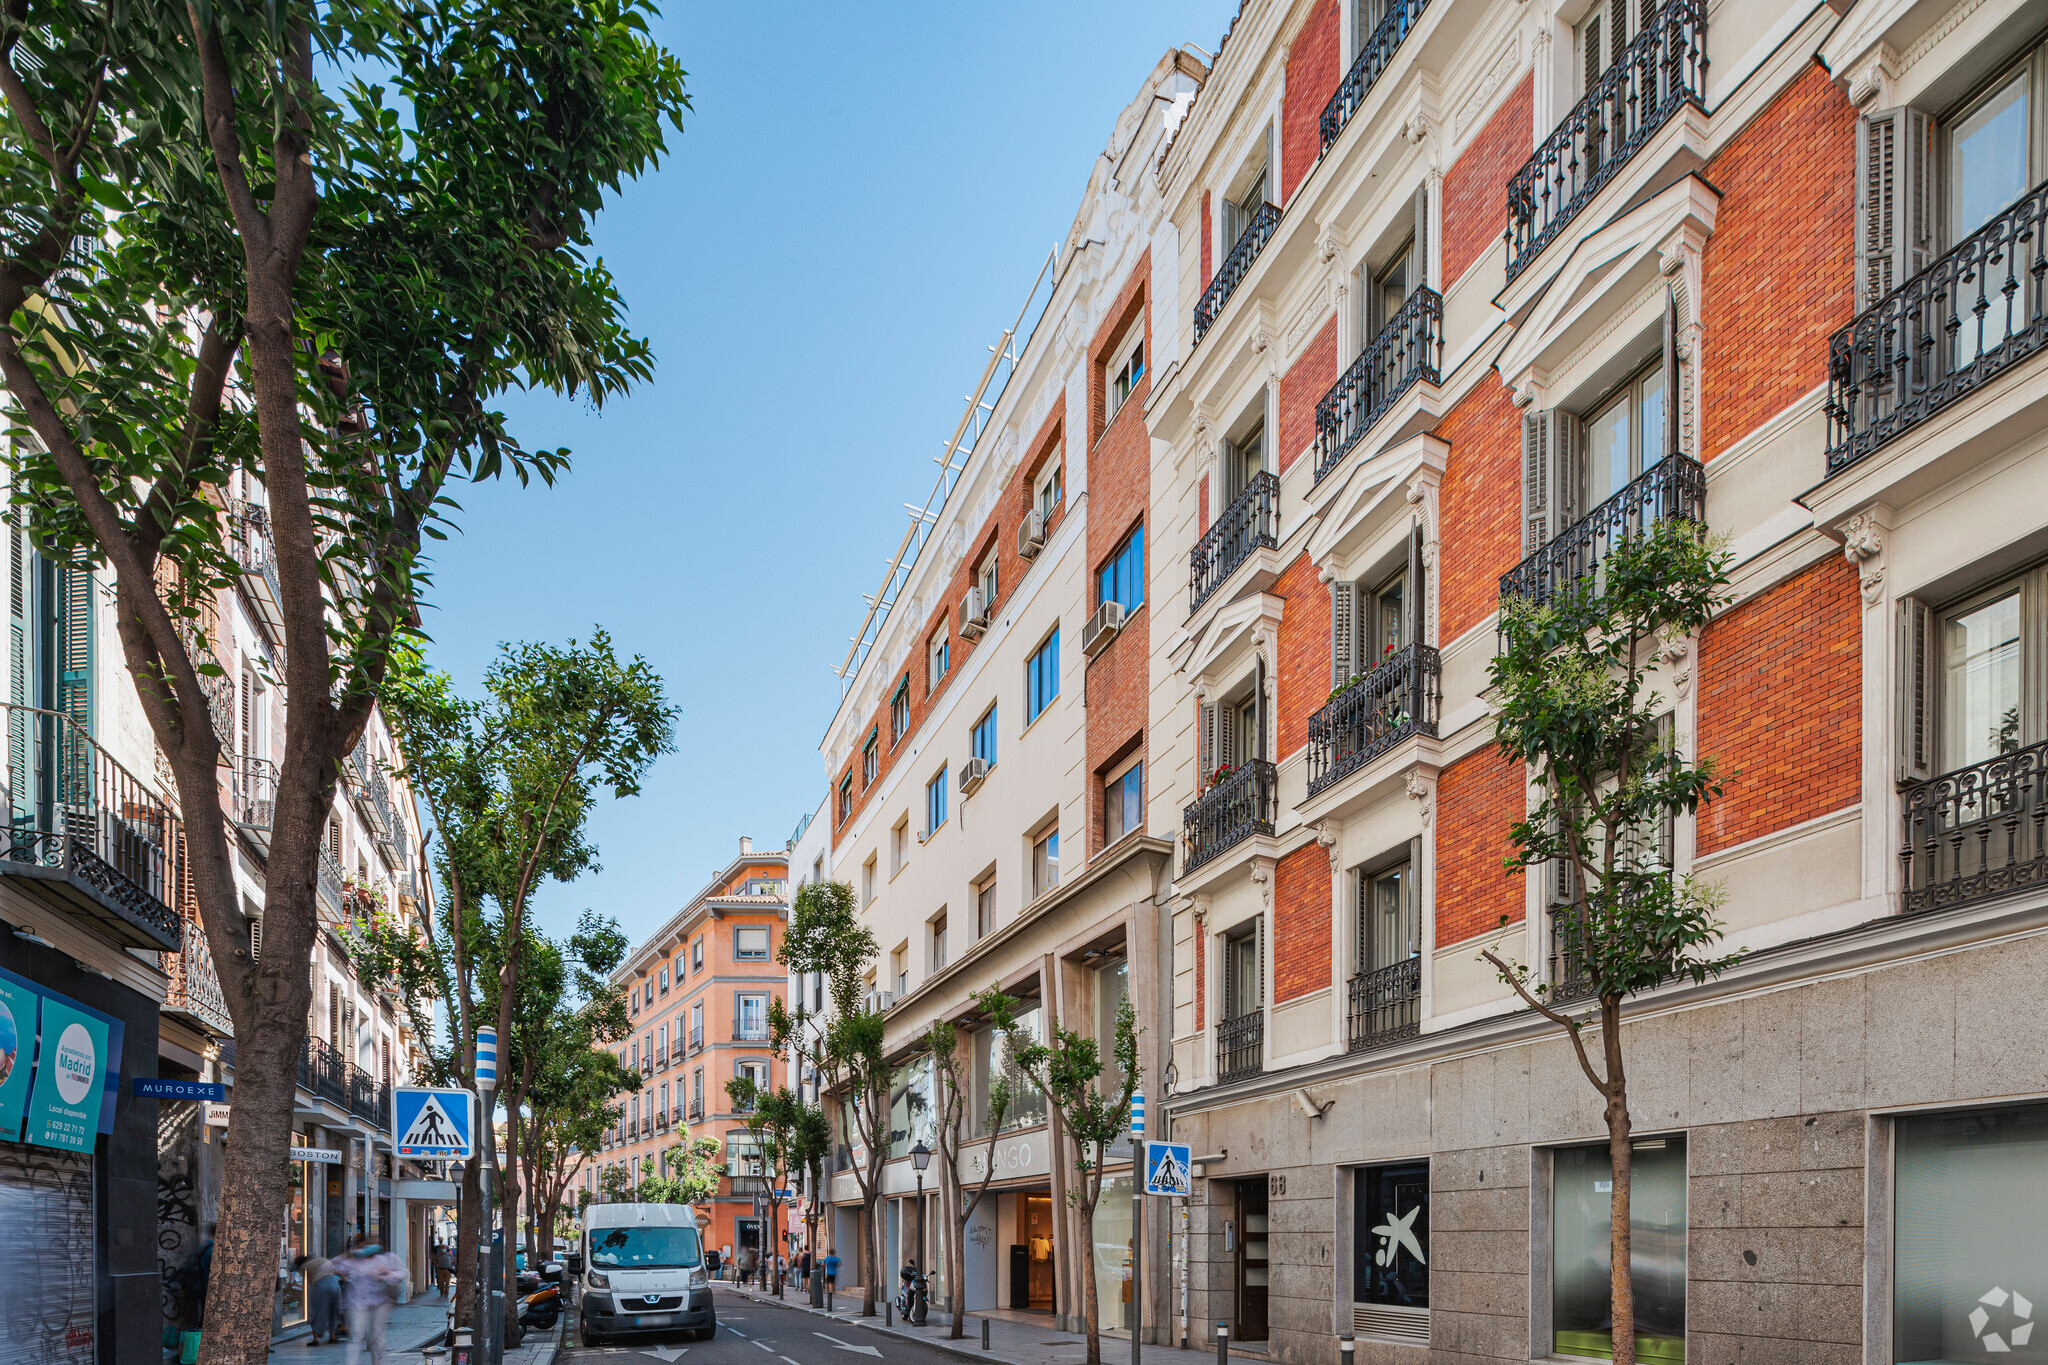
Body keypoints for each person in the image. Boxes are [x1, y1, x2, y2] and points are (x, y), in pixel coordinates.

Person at [340, 1234, 407, 1365]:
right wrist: (350, 1253)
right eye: (368, 1245)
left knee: (377, 1336)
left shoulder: (388, 1258)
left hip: (381, 1303)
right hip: (359, 1303)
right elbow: (335, 1266)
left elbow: (404, 1273)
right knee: (356, 1335)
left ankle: (378, 1362)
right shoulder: (356, 1260)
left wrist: (386, 1274)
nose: (371, 1248)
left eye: (375, 1245)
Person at [297, 1252, 343, 1346]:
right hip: (334, 1284)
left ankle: (315, 1339)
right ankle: (332, 1336)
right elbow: (335, 1271)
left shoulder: (305, 1266)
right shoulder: (324, 1260)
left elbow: (310, 1280)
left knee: (317, 1311)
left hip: (321, 1286)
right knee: (333, 1311)